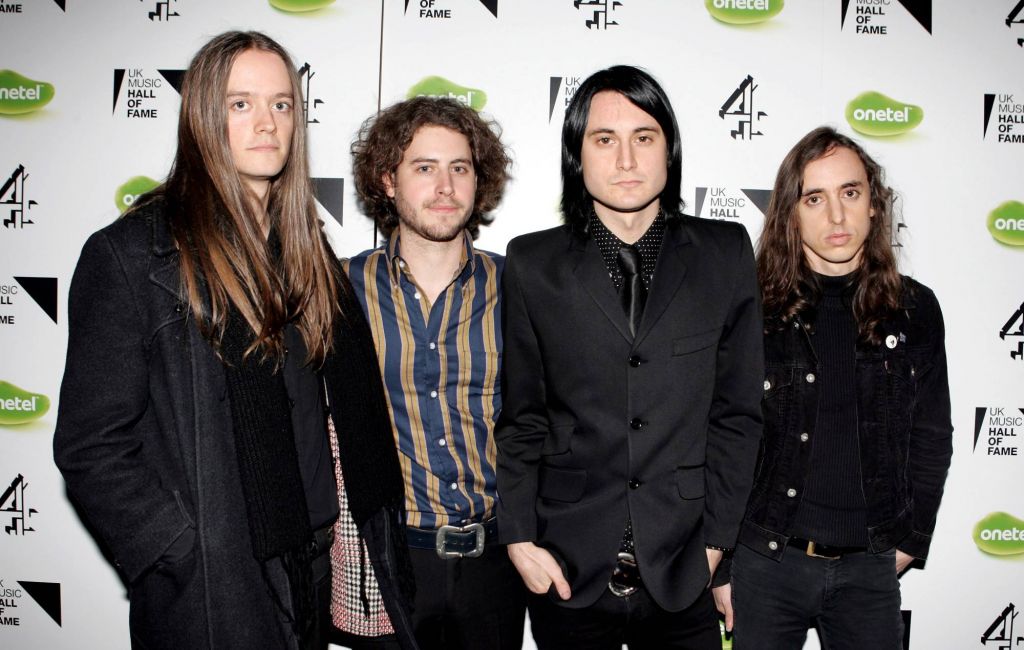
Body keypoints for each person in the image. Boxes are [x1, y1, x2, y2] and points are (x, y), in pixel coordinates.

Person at [53, 31, 415, 650]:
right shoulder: (135, 255)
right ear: (201, 116)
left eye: (281, 104)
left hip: (312, 564)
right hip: (215, 580)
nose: (267, 123)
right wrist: (177, 550)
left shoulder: (308, 255)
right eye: (240, 103)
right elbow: (90, 446)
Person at [495, 65, 764, 649]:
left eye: (644, 138)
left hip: (686, 569)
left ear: (669, 151)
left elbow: (738, 414)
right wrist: (519, 539)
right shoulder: (532, 264)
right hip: (567, 569)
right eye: (604, 140)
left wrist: (718, 543)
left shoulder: (724, 253)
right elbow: (522, 418)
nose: (625, 160)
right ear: (577, 155)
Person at [711, 126, 953, 649]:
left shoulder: (915, 310)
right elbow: (721, 440)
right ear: (790, 214)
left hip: (871, 567)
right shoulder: (753, 310)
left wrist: (912, 540)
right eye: (814, 198)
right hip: (765, 562)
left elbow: (931, 436)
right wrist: (722, 563)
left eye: (850, 193)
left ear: (874, 204)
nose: (836, 217)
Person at [345, 97, 522, 650]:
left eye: (460, 168)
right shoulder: (341, 290)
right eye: (424, 168)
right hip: (388, 560)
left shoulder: (519, 287)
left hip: (499, 560)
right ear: (388, 181)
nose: (445, 186)